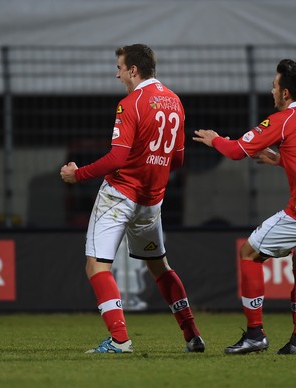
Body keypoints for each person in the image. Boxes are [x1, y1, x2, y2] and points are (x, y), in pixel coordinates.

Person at [193, 59, 296, 356]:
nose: (271, 91)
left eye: (275, 86)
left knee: (249, 253)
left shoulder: (284, 119)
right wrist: (281, 160)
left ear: (287, 93)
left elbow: (237, 151)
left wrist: (216, 140)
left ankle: (255, 334)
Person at [60, 44, 205, 354]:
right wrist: (152, 161)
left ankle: (120, 340)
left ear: (134, 70)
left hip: (118, 196)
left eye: (120, 67)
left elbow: (116, 159)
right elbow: (177, 161)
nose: (118, 73)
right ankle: (192, 334)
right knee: (160, 267)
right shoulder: (175, 102)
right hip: (151, 201)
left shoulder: (131, 103)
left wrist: (78, 174)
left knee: (97, 266)